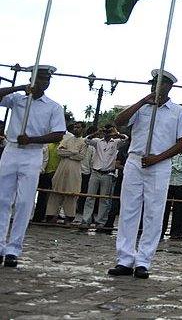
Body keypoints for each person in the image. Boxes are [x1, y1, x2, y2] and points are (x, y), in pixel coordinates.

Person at [108, 69, 182, 279]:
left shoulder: (179, 112)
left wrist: (158, 158)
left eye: (160, 84)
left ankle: (144, 260)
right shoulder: (142, 107)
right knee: (129, 210)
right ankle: (124, 259)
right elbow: (119, 121)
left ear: (169, 87)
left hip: (159, 163)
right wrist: (142, 102)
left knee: (154, 213)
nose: (155, 87)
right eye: (153, 84)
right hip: (136, 161)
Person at [0, 66, 66, 267]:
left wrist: (32, 139)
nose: (43, 83)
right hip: (11, 150)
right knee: (2, 199)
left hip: (32, 153)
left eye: (47, 80)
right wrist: (21, 87)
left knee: (24, 202)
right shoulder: (17, 99)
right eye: (40, 78)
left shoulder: (53, 107)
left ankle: (13, 249)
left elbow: (58, 134)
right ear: (32, 78)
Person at [81, 125, 127, 229]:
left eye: (108, 131)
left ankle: (100, 222)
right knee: (90, 197)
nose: (107, 133)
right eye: (106, 131)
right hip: (95, 172)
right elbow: (86, 140)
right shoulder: (97, 141)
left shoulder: (116, 142)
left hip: (108, 174)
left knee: (104, 199)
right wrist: (96, 133)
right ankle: (86, 220)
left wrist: (116, 134)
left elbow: (126, 138)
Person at [44, 121, 87, 223]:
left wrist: (67, 152)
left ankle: (69, 217)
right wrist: (73, 152)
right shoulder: (66, 139)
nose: (76, 129)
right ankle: (51, 215)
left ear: (83, 129)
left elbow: (81, 156)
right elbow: (60, 152)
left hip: (74, 170)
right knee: (56, 191)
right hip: (61, 168)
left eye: (78, 127)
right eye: (75, 127)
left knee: (71, 193)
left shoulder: (84, 142)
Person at [161, 145, 182, 240]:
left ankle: (175, 233)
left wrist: (174, 166)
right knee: (165, 209)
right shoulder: (171, 152)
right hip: (169, 182)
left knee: (179, 210)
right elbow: (167, 165)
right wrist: (178, 167)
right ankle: (162, 231)